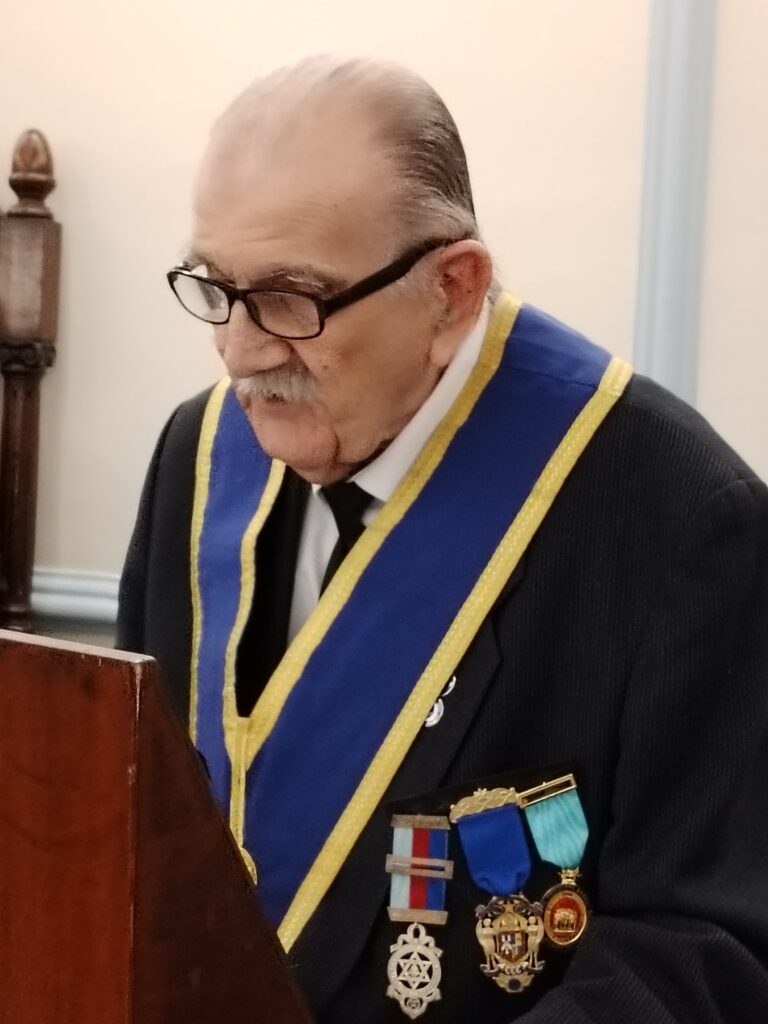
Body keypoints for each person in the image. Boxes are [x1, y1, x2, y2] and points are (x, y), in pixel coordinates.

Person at [116, 57, 768, 1023]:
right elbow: (133, 817)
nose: (239, 351)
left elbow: (702, 950)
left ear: (452, 291)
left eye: (292, 298)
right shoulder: (198, 456)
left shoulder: (680, 521)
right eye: (216, 285)